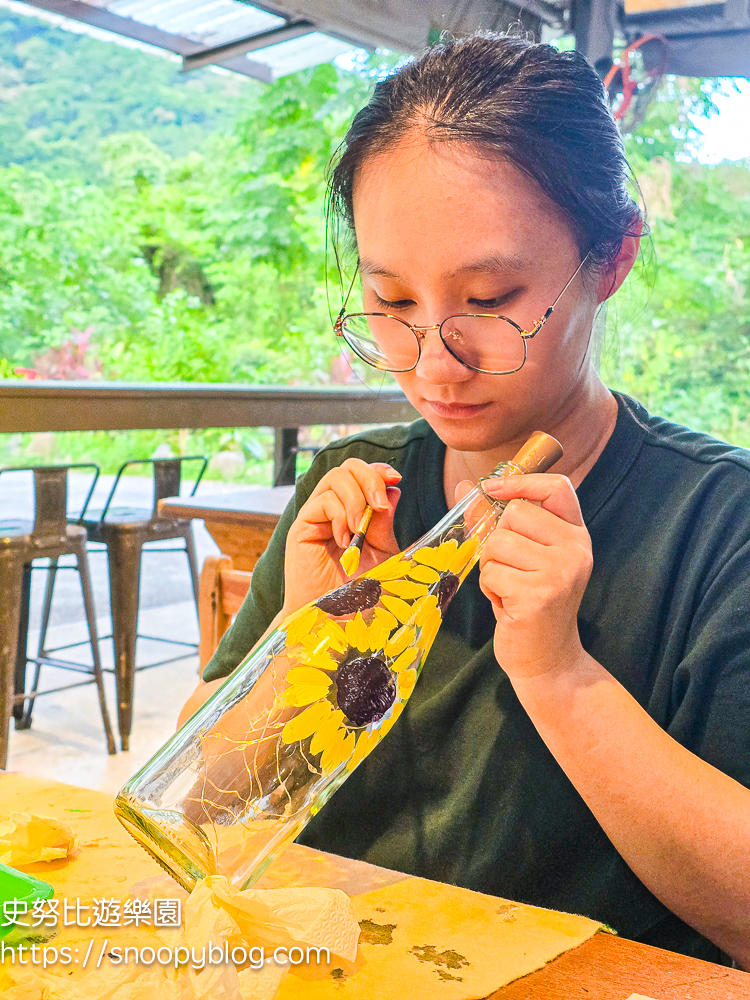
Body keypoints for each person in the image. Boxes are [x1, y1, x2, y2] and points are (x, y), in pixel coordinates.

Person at [180, 34, 750, 966]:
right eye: (393, 303)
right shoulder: (352, 490)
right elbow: (197, 805)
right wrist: (301, 640)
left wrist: (561, 677)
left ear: (611, 260)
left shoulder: (718, 527)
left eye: (490, 298)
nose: (434, 366)